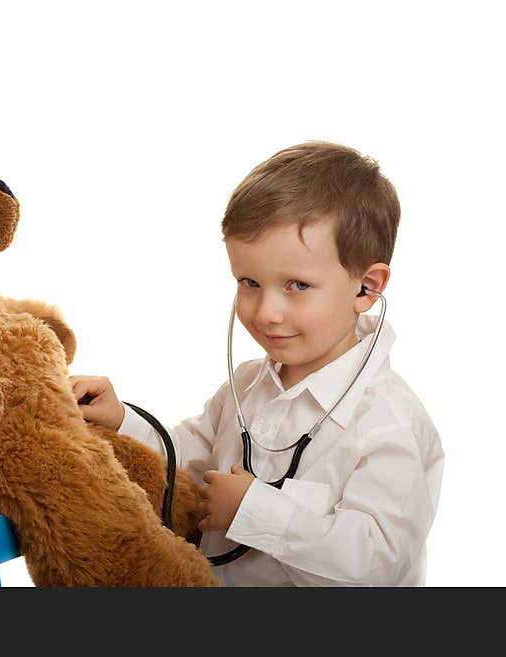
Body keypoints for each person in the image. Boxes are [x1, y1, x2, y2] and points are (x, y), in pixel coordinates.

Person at [70, 141, 444, 586]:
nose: (266, 312)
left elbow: (378, 560)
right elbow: (191, 459)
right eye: (249, 282)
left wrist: (255, 511)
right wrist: (124, 422)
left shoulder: (387, 423)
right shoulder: (249, 384)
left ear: (366, 287)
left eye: (297, 285)